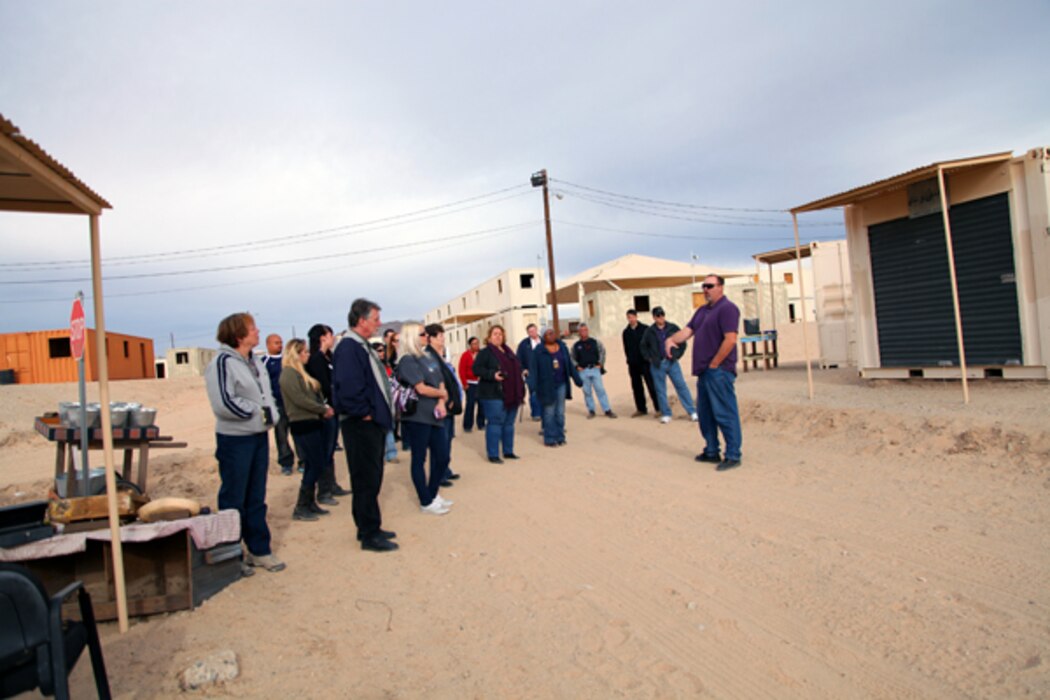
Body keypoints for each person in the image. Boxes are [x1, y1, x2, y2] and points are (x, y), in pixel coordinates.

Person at [204, 312, 285, 573]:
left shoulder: (255, 361)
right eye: (252, 328)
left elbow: (266, 393)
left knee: (256, 496)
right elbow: (224, 403)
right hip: (235, 440)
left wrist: (271, 414)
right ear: (239, 334)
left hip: (258, 437)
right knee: (233, 497)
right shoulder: (222, 362)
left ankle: (259, 550)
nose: (257, 331)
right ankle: (231, 555)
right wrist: (255, 415)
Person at [331, 298, 398, 552]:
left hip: (370, 424)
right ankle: (369, 534)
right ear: (361, 320)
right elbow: (348, 388)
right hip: (361, 426)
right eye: (376, 319)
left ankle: (371, 526)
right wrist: (366, 414)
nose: (379, 324)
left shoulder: (361, 347)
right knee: (365, 479)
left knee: (372, 477)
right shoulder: (349, 348)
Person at [667, 275, 743, 471]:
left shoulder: (728, 309)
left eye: (709, 286)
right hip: (703, 372)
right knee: (706, 414)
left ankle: (733, 454)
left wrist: (715, 363)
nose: (705, 290)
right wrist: (670, 340)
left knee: (725, 413)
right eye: (703, 286)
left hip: (719, 371)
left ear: (720, 287)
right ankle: (711, 451)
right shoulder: (702, 311)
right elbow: (687, 331)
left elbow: (731, 339)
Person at [397, 324, 454, 515]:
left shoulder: (427, 357)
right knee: (419, 458)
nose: (426, 337)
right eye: (422, 334)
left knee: (442, 456)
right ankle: (425, 500)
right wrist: (442, 394)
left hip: (434, 414)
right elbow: (420, 388)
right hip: (418, 416)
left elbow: (439, 379)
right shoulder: (407, 360)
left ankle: (432, 492)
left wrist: (440, 400)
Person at [279, 338, 335, 521]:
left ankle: (309, 502)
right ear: (296, 354)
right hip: (302, 423)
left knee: (315, 463)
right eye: (305, 352)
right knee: (314, 463)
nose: (308, 355)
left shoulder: (299, 373)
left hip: (313, 422)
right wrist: (323, 409)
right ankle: (301, 506)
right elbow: (300, 399)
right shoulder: (288, 374)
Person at [306, 324, 351, 504]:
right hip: (324, 412)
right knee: (324, 451)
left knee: (330, 449)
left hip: (334, 409)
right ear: (323, 337)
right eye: (331, 335)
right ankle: (323, 491)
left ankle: (332, 485)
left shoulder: (328, 357)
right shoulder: (316, 359)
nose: (333, 339)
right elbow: (323, 385)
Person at [473, 325, 525, 464]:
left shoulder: (509, 352)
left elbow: (517, 368)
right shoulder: (485, 352)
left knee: (509, 424)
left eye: (500, 334)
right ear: (489, 337)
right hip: (493, 393)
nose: (498, 336)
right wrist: (492, 374)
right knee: (495, 423)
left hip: (511, 394)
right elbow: (476, 369)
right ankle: (493, 454)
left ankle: (508, 451)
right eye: (495, 334)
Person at [641, 306, 698, 425]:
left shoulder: (673, 328)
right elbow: (643, 346)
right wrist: (649, 358)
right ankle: (666, 414)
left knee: (681, 386)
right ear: (654, 317)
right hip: (657, 364)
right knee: (660, 390)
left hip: (672, 363)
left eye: (662, 314)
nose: (660, 317)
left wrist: (677, 354)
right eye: (657, 315)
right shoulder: (649, 331)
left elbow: (683, 343)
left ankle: (692, 411)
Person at [530, 327, 583, 446]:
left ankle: (560, 436)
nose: (551, 335)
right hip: (546, 385)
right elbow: (534, 370)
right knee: (549, 412)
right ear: (543, 337)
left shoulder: (563, 348)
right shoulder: (538, 351)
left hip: (561, 384)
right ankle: (549, 438)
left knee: (560, 412)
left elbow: (569, 365)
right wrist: (532, 386)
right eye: (547, 334)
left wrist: (577, 379)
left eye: (552, 333)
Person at [425, 324, 463, 483]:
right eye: (439, 336)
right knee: (439, 443)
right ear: (431, 338)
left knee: (447, 440)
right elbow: (435, 382)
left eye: (442, 335)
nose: (443, 338)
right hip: (441, 405)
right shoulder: (429, 356)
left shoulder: (440, 355)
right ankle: (438, 474)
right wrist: (446, 401)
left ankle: (445, 469)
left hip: (449, 404)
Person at [261, 334, 298, 476]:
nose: (280, 345)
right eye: (276, 343)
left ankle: (302, 461)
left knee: (298, 432)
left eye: (281, 342)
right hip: (278, 405)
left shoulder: (287, 361)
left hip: (292, 404)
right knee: (281, 435)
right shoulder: (264, 362)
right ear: (268, 344)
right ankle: (286, 463)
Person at [571, 323, 617, 419]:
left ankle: (607, 410)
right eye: (582, 330)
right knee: (587, 392)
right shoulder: (576, 345)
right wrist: (576, 366)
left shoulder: (595, 342)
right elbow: (572, 357)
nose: (584, 332)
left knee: (600, 390)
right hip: (583, 371)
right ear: (579, 332)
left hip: (595, 369)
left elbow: (602, 352)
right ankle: (591, 410)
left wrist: (600, 363)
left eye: (585, 330)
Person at [622, 309, 659, 417]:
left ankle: (658, 408)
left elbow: (651, 344)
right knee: (636, 386)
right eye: (629, 317)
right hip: (633, 364)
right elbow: (626, 348)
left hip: (645, 362)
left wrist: (650, 358)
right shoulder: (626, 332)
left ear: (636, 317)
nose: (631, 319)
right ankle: (641, 409)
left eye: (632, 317)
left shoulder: (645, 329)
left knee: (651, 385)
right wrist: (629, 359)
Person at [457, 336, 486, 433]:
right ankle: (467, 425)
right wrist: (464, 383)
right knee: (470, 404)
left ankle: (481, 424)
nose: (476, 345)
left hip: (481, 383)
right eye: (474, 343)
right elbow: (461, 370)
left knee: (482, 404)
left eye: (477, 343)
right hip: (470, 383)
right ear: (470, 345)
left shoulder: (482, 354)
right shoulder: (465, 355)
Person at [515, 323, 543, 422]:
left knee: (544, 392)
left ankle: (544, 412)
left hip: (544, 372)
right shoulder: (523, 344)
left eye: (534, 330)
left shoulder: (544, 341)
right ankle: (536, 413)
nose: (532, 333)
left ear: (537, 330)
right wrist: (523, 369)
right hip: (530, 373)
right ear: (527, 333)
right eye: (530, 331)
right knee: (534, 393)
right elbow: (518, 359)